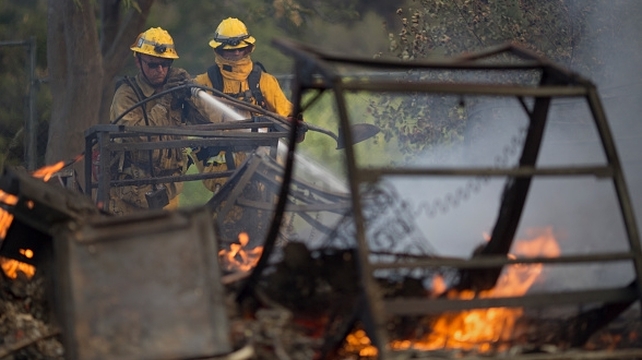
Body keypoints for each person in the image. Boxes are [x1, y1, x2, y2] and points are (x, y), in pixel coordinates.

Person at [191, 17, 305, 193]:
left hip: (264, 166)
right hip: (224, 172)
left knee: (270, 216)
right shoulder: (202, 84)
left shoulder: (264, 82)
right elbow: (181, 112)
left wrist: (295, 123)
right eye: (231, 51)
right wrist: (180, 86)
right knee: (228, 218)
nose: (237, 54)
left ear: (248, 48)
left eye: (240, 49)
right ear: (219, 50)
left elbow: (288, 113)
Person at [107, 27, 206, 215]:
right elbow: (139, 138)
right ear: (138, 61)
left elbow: (206, 121)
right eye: (153, 65)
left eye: (165, 64)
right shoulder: (126, 95)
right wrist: (166, 101)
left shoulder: (175, 91)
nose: (160, 70)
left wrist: (192, 93)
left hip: (167, 191)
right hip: (132, 195)